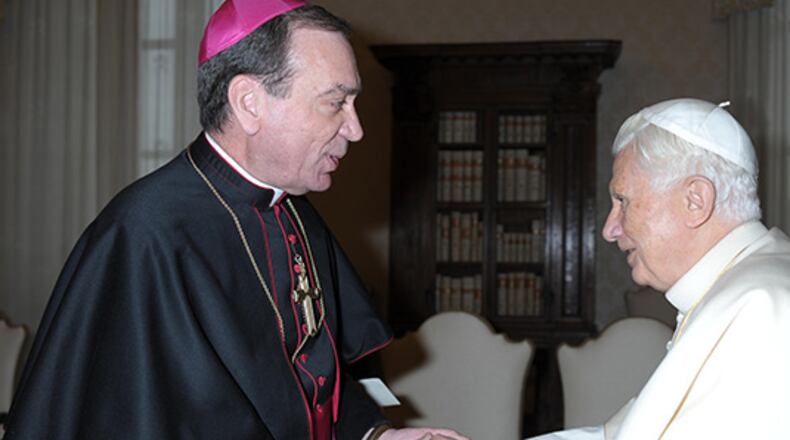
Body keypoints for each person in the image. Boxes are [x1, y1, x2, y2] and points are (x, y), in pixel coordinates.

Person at [3, 1, 467, 439]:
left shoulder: (296, 214)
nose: (356, 129)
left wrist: (377, 433)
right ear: (249, 102)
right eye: (335, 102)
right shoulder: (146, 234)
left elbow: (312, 380)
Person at [531, 97, 790, 440]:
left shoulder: (762, 308)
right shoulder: (740, 286)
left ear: (694, 201)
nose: (610, 229)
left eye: (622, 201)